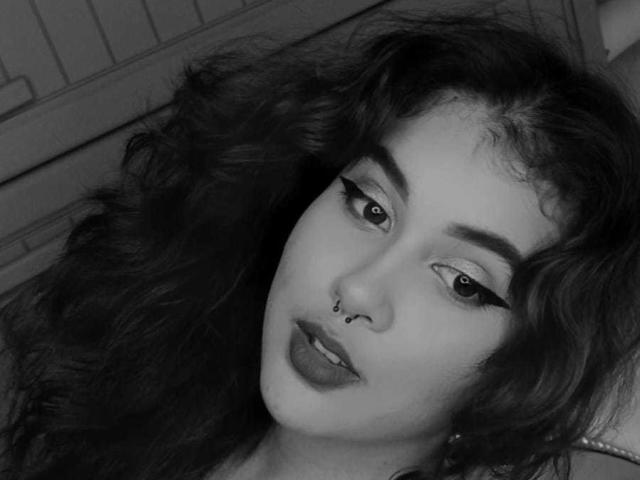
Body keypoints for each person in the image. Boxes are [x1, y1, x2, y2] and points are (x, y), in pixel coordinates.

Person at [0, 12, 639, 480]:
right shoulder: (162, 384)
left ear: (529, 366)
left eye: (463, 282)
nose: (356, 290)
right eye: (370, 207)